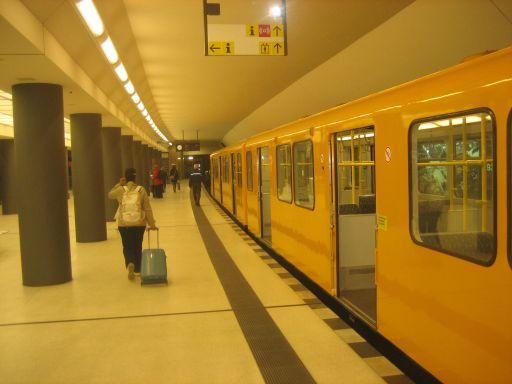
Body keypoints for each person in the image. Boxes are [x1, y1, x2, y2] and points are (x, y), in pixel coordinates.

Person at [108, 168, 157, 280]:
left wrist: (118, 184)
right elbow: (147, 208)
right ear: (135, 177)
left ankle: (130, 262)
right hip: (139, 224)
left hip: (124, 224)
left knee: (127, 246)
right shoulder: (141, 190)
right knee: (137, 246)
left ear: (125, 178)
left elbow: (110, 195)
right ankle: (138, 269)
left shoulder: (121, 189)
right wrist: (152, 224)